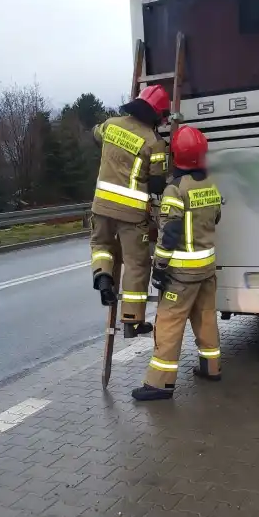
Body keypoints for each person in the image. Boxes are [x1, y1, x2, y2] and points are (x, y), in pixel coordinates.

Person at [132, 125, 222, 401]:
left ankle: (160, 384)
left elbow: (169, 234)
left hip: (181, 275)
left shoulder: (175, 189)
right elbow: (216, 217)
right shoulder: (210, 185)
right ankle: (211, 367)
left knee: (169, 324)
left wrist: (159, 269)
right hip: (206, 269)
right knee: (206, 319)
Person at [90, 85, 169, 338]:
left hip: (101, 206)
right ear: (156, 115)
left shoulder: (110, 125)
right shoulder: (154, 143)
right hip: (132, 214)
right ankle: (131, 320)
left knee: (101, 246)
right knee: (136, 264)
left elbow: (95, 134)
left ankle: (103, 277)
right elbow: (157, 184)